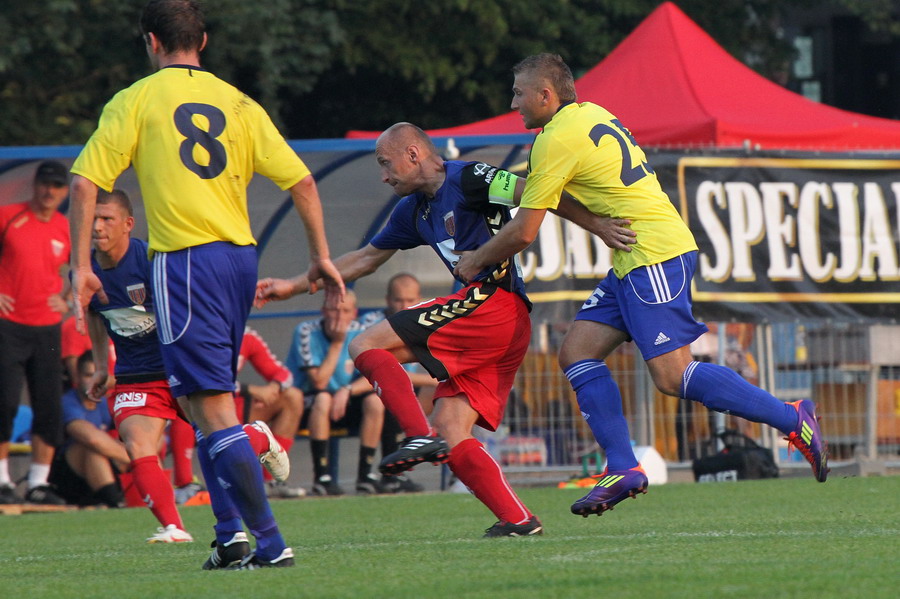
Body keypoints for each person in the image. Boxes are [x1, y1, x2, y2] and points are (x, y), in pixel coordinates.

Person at [453, 53, 829, 518]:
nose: (514, 103)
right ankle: (623, 467)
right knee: (576, 351)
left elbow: (524, 231)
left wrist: (475, 259)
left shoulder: (554, 139)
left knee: (674, 376)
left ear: (545, 95)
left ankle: (793, 419)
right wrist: (592, 223)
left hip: (652, 254)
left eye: (518, 93)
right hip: (634, 256)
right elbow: (552, 193)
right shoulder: (590, 116)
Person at [68, 0, 343, 570]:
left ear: (151, 42)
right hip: (240, 259)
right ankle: (231, 535)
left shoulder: (137, 100)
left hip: (185, 263)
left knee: (211, 408)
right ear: (205, 42)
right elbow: (303, 182)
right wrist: (319, 257)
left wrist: (79, 265)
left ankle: (269, 544)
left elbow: (84, 182)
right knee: (199, 404)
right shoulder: (239, 101)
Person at [257, 122, 619, 536]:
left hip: (492, 304)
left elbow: (538, 194)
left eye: (385, 163)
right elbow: (364, 259)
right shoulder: (413, 209)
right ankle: (518, 519)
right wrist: (293, 285)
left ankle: (416, 435)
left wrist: (598, 225)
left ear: (413, 154)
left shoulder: (470, 178)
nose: (383, 175)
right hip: (505, 321)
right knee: (451, 425)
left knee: (364, 343)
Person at [85, 190, 194, 542]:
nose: (97, 227)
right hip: (136, 376)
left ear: (128, 224)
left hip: (181, 366)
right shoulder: (85, 271)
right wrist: (103, 366)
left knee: (220, 439)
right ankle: (174, 527)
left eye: (107, 219)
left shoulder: (151, 260)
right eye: (93, 219)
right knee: (136, 444)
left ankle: (257, 438)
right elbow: (95, 317)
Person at [0, 160, 71, 505]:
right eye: (45, 184)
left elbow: (83, 267)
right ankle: (2, 480)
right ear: (35, 185)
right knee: (5, 401)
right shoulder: (9, 215)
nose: (49, 192)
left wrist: (68, 300)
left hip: (47, 327)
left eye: (57, 186)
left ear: (65, 192)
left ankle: (39, 483)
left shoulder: (64, 227)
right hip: (9, 324)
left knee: (49, 406)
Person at [285, 291, 387, 496]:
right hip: (308, 405)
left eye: (345, 311)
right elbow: (319, 382)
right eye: (333, 310)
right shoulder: (306, 331)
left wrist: (347, 390)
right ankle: (322, 477)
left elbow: (376, 375)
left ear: (354, 313)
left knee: (376, 402)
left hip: (345, 402)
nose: (339, 317)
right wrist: (338, 343)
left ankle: (365, 475)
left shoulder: (361, 333)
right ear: (323, 311)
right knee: (323, 398)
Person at [358, 273, 435, 493]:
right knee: (384, 396)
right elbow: (373, 370)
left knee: (441, 388)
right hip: (361, 390)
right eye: (399, 300)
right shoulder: (371, 324)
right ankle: (376, 475)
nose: (404, 305)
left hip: (394, 389)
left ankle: (425, 452)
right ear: (387, 300)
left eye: (410, 300)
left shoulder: (424, 322)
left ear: (419, 299)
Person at [48, 350, 128, 508]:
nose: (93, 382)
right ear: (77, 377)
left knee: (134, 441)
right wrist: (137, 458)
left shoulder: (104, 403)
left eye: (97, 376)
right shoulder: (67, 402)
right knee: (92, 449)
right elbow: (91, 438)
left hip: (96, 473)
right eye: (88, 375)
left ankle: (143, 496)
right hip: (64, 476)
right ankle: (116, 502)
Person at [235, 327, 306, 498]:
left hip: (231, 405)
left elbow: (284, 374)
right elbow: (196, 380)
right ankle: (185, 484)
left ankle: (272, 481)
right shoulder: (196, 331)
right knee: (183, 400)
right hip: (194, 407)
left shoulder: (245, 335)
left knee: (292, 397)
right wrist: (251, 390)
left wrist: (273, 388)